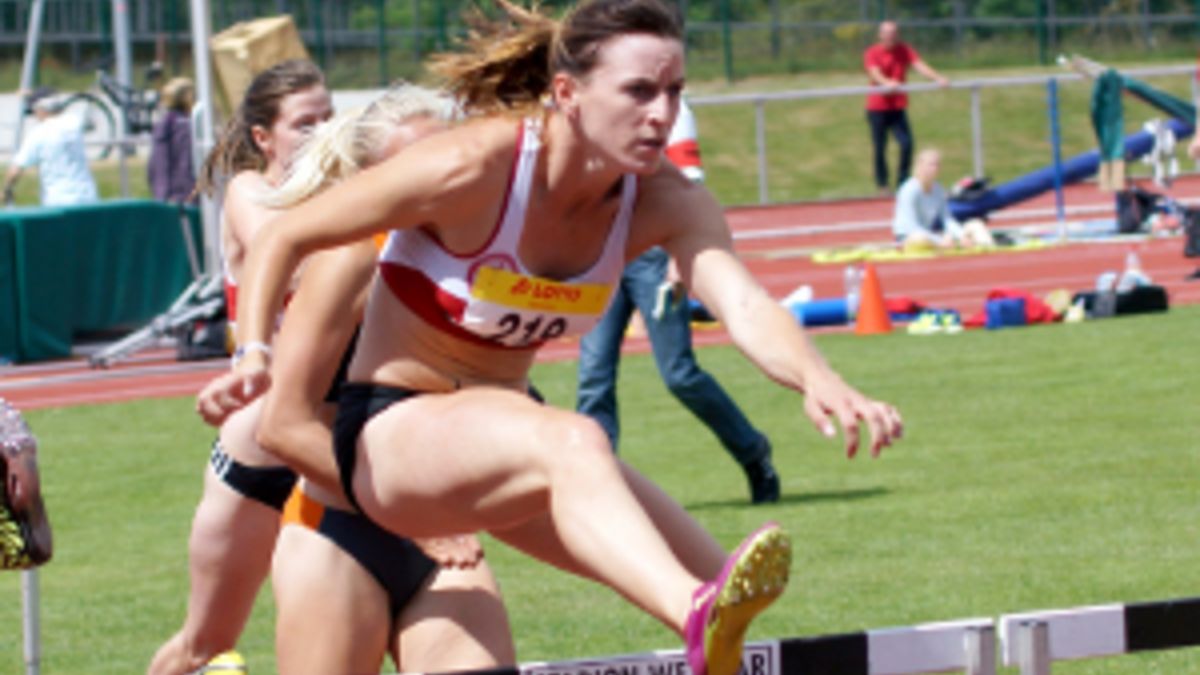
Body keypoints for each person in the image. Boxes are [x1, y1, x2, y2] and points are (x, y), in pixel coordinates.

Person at [222, 3, 903, 675]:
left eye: (675, 92)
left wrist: (818, 377)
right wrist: (252, 352)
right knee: (578, 441)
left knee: (714, 571)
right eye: (639, 91)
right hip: (390, 441)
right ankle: (693, 615)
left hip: (502, 445)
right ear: (568, 93)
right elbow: (284, 235)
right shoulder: (474, 166)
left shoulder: (666, 199)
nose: (662, 114)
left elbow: (744, 302)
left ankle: (705, 616)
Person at [222, 87, 515, 675]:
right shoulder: (351, 259)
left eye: (449, 159)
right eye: (415, 165)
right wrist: (251, 354)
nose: (440, 180)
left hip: (443, 539)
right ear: (371, 179)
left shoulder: (472, 262)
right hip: (337, 531)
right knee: (202, 635)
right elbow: (282, 427)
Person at [148, 59, 335, 675]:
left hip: (339, 443)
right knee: (204, 642)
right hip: (261, 454)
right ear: (264, 137)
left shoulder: (349, 199)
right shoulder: (251, 191)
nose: (323, 132)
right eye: (305, 123)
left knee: (346, 629)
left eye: (330, 118)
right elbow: (288, 261)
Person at [576, 98, 780, 505]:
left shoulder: (671, 109)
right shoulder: (593, 101)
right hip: (603, 254)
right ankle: (598, 487)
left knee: (679, 375)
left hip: (652, 254)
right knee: (594, 376)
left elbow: (688, 182)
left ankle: (752, 450)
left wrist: (678, 256)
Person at [863, 20, 949, 194]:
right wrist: (887, 83)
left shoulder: (904, 50)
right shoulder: (872, 52)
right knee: (880, 147)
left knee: (906, 144)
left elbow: (919, 66)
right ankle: (882, 184)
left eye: (894, 33)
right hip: (877, 107)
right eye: (887, 33)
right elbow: (874, 72)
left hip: (897, 107)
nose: (890, 36)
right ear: (880, 35)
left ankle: (903, 182)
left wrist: (938, 78)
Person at [3, 87, 99, 206]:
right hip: (88, 196)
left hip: (58, 200)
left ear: (41, 108)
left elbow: (16, 169)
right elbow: (90, 123)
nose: (35, 115)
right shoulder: (75, 122)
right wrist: (33, 95)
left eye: (35, 110)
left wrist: (6, 189)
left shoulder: (38, 133)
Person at [893, 149, 993, 250]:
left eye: (937, 165)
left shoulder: (938, 189)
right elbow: (911, 226)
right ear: (920, 166)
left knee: (976, 225)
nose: (935, 168)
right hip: (908, 238)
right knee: (920, 238)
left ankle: (989, 249)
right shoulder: (909, 190)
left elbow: (947, 219)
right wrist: (939, 240)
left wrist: (962, 235)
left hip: (930, 236)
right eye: (931, 164)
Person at [148, 77, 198, 204]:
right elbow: (182, 163)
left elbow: (157, 163)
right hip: (183, 195)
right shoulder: (184, 125)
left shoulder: (165, 122)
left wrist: (160, 195)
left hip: (172, 194)